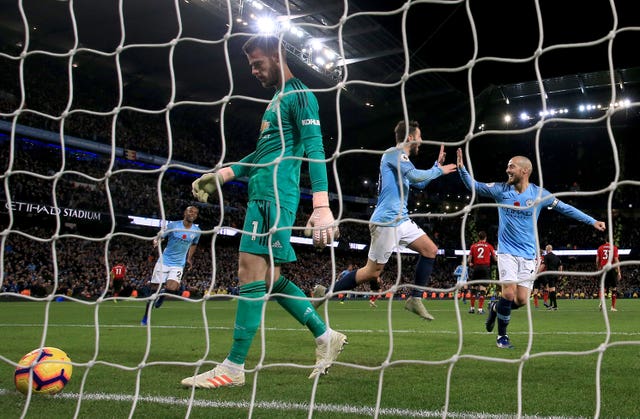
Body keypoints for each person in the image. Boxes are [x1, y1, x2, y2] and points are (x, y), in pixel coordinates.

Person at [185, 35, 345, 388]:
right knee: (269, 278)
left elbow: (317, 149)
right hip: (262, 193)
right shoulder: (275, 100)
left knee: (249, 269)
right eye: (251, 66)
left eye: (258, 63)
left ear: (276, 55)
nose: (254, 71)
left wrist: (321, 205)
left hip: (273, 197)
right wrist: (223, 175)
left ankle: (234, 366)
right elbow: (261, 156)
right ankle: (325, 336)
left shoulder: (298, 94)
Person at [456, 148, 606, 349]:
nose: (507, 169)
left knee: (521, 301)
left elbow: (565, 208)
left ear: (525, 171)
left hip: (529, 255)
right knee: (508, 293)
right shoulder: (501, 190)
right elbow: (473, 186)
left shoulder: (538, 194)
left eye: (512, 166)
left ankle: (494, 306)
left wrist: (592, 221)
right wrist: (462, 169)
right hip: (507, 252)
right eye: (508, 166)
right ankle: (502, 337)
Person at [312, 120, 457, 320]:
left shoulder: (403, 159)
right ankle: (325, 292)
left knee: (430, 250)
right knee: (371, 273)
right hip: (386, 220)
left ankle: (415, 299)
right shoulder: (393, 153)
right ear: (410, 137)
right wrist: (439, 170)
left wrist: (435, 166)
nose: (421, 141)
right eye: (420, 137)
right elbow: (415, 177)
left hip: (401, 220)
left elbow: (420, 183)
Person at [140, 206, 201, 326]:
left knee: (172, 288)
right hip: (164, 261)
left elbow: (194, 244)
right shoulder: (173, 226)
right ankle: (146, 316)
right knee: (153, 291)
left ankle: (162, 297)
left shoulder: (197, 231)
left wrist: (189, 258)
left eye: (195, 212)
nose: (192, 213)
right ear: (185, 212)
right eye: (190, 211)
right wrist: (157, 241)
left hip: (178, 264)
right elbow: (161, 236)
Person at [467, 231, 497, 314]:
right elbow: (495, 259)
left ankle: (472, 308)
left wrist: (470, 263)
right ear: (485, 237)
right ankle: (480, 309)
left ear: (478, 237)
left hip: (476, 268)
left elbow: (469, 259)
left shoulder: (473, 246)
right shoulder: (489, 246)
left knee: (474, 288)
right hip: (485, 268)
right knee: (483, 289)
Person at [596, 240, 621, 311]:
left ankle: (601, 302)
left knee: (603, 287)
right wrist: (619, 272)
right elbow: (616, 260)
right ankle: (612, 307)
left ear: (605, 240)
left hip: (604, 268)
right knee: (614, 288)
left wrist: (598, 268)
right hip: (612, 268)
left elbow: (597, 260)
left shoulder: (600, 248)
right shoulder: (614, 248)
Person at [538, 244, 562, 310]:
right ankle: (551, 305)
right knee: (551, 290)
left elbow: (543, 265)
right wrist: (560, 274)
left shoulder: (546, 257)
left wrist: (537, 273)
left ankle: (555, 306)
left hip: (550, 275)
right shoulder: (556, 257)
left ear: (547, 249)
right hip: (555, 275)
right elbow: (560, 266)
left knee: (552, 291)